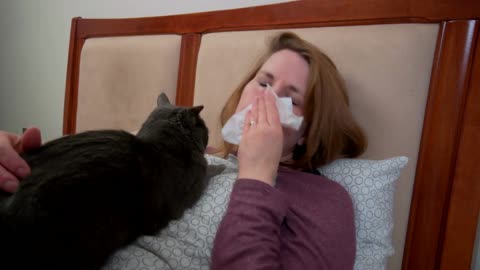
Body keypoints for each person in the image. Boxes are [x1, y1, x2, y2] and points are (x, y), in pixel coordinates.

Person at [0, 32, 367, 269]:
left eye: (291, 98)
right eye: (263, 82)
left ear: (306, 131)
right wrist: (22, 166)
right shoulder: (187, 159)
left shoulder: (325, 200)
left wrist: (257, 176)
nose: (266, 98)